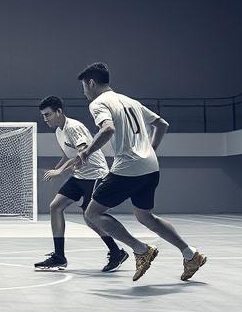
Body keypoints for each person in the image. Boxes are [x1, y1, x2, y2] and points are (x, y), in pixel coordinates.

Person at [75, 62, 207, 282]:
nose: (84, 92)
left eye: (84, 87)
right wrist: (150, 150)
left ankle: (140, 250)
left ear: (91, 82)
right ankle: (190, 254)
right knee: (145, 216)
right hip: (150, 167)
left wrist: (86, 152)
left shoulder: (99, 103)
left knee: (92, 214)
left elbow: (107, 129)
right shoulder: (130, 101)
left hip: (128, 167)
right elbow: (162, 124)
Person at [34, 95, 128, 273]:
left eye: (48, 115)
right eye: (43, 115)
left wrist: (60, 171)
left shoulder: (74, 127)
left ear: (59, 112)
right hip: (79, 176)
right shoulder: (58, 131)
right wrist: (58, 167)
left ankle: (116, 252)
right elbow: (68, 154)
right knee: (55, 206)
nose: (45, 119)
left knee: (90, 217)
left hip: (95, 175)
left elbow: (82, 155)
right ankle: (59, 257)